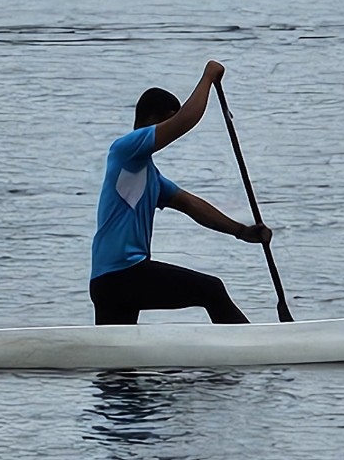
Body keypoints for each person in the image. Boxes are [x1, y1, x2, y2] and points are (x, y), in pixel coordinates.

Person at [89, 60, 273, 326]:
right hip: (124, 274)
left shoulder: (149, 176)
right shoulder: (125, 149)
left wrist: (241, 231)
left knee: (118, 365)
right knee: (211, 290)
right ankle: (254, 348)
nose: (170, 134)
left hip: (108, 281)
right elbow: (186, 120)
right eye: (167, 123)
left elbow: (190, 205)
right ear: (153, 120)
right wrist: (209, 75)